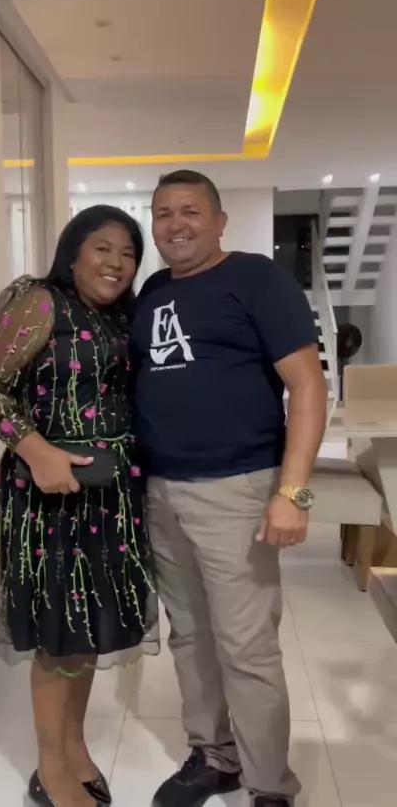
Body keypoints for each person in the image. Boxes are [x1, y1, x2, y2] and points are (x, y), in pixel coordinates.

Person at [131, 170, 328, 807]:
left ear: (220, 221)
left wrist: (294, 494)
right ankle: (215, 756)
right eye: (163, 213)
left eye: (190, 211)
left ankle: (269, 785)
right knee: (190, 637)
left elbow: (309, 386)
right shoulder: (153, 291)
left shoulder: (255, 279)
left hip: (238, 489)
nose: (176, 224)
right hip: (162, 491)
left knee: (246, 646)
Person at [0, 206, 158, 807]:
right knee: (59, 633)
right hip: (49, 498)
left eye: (128, 253)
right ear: (73, 253)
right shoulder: (40, 302)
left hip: (111, 495)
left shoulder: (118, 315)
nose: (116, 263)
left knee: (88, 631)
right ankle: (51, 769)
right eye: (103, 248)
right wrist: (37, 450)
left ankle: (74, 750)